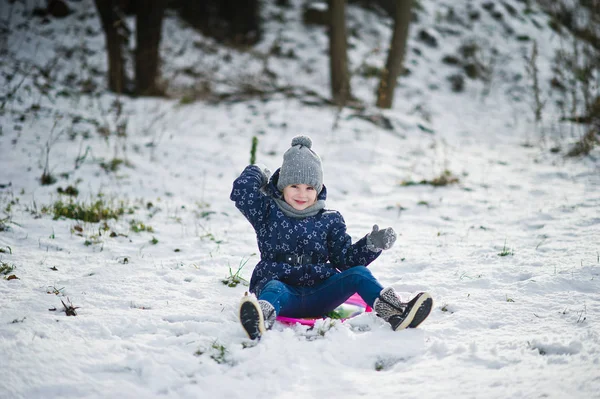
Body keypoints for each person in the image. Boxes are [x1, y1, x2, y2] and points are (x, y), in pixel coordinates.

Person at [230, 135, 432, 340]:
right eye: (294, 186)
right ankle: (260, 319)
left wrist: (372, 244)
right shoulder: (267, 212)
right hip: (283, 294)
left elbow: (346, 260)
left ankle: (396, 312)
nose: (302, 194)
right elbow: (241, 192)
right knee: (273, 287)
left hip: (321, 293)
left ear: (318, 190)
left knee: (359, 274)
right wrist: (257, 171)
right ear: (282, 186)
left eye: (309, 188)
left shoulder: (330, 220)